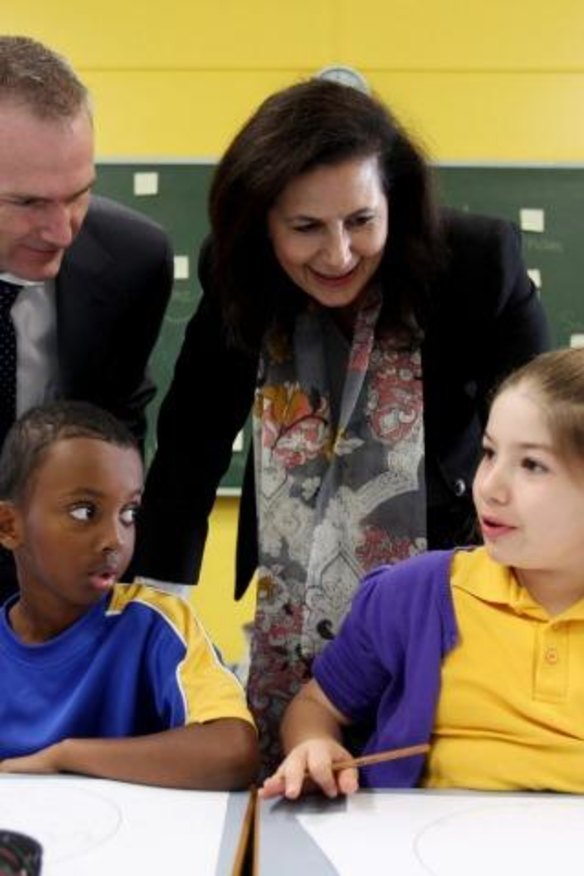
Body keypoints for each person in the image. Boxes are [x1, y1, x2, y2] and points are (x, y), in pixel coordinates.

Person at [134, 78, 549, 771]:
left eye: (361, 220)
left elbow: (550, 433)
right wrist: (155, 605)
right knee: (299, 770)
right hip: (292, 591)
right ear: (261, 222)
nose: (338, 255)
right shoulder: (236, 272)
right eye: (305, 228)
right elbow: (191, 441)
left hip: (446, 576)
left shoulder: (476, 263)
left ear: (395, 202)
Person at [260, 347, 584, 798]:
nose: (488, 486)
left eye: (532, 465)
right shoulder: (413, 595)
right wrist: (315, 744)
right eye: (489, 453)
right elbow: (315, 706)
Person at [0, 400, 258, 790]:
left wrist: (65, 756)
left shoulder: (157, 625)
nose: (114, 540)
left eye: (129, 514)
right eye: (84, 512)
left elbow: (233, 751)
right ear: (9, 526)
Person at [0, 35, 173, 603]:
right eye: (27, 203)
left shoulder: (131, 263)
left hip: (56, 601)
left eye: (78, 194)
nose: (62, 231)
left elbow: (119, 430)